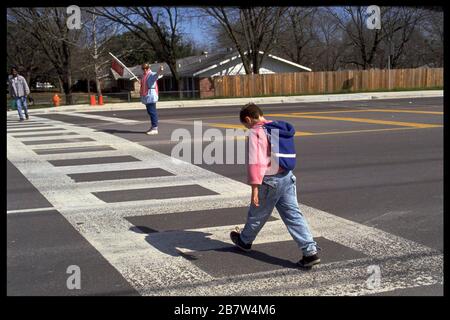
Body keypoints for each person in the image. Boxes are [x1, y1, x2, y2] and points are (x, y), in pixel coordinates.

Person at [230, 103, 321, 269]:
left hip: (270, 180)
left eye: (246, 124)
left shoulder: (256, 133)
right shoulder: (276, 128)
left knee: (257, 213)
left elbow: (256, 163)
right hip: (287, 176)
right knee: (293, 215)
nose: (247, 127)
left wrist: (254, 189)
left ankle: (244, 241)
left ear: (249, 119)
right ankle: (310, 252)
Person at [140, 63, 164, 135]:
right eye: (143, 68)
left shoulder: (151, 74)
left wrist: (160, 70)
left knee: (152, 112)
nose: (144, 69)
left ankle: (155, 128)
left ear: (148, 68)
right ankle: (153, 126)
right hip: (147, 96)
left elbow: (156, 75)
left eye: (146, 68)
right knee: (150, 112)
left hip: (151, 95)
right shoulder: (144, 76)